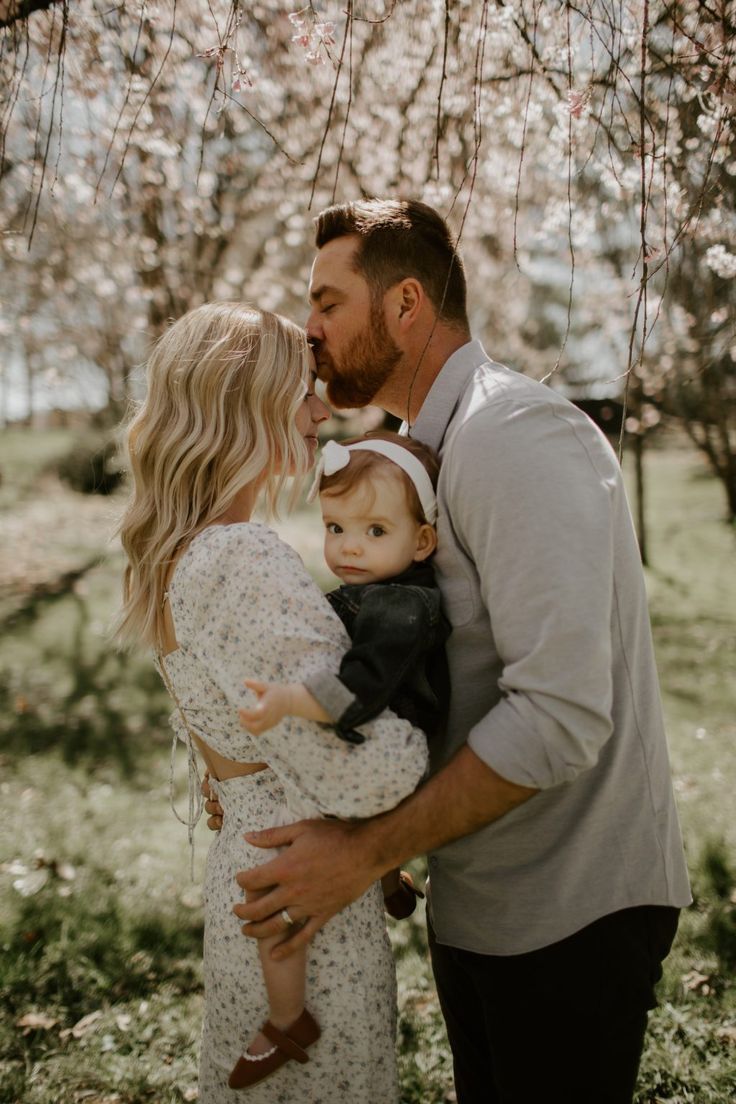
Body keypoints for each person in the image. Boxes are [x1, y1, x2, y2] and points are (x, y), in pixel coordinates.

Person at [218, 201, 692, 1104]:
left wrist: (361, 852)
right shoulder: (419, 455)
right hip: (481, 898)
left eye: (327, 302)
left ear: (405, 306)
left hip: (573, 908)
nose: (307, 331)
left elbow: (560, 715)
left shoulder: (515, 436)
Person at [116, 302, 429, 1102]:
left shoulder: (182, 555)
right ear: (242, 404)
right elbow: (356, 777)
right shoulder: (240, 557)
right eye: (302, 391)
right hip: (304, 892)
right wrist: (438, 734)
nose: (323, 411)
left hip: (254, 876)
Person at [236, 431, 450, 1083]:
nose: (349, 546)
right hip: (384, 755)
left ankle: (288, 1018)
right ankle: (392, 880)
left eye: (374, 529)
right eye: (336, 526)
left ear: (421, 542)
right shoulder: (372, 586)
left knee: (281, 869)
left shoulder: (401, 604)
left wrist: (288, 703)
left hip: (390, 750)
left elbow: (357, 687)